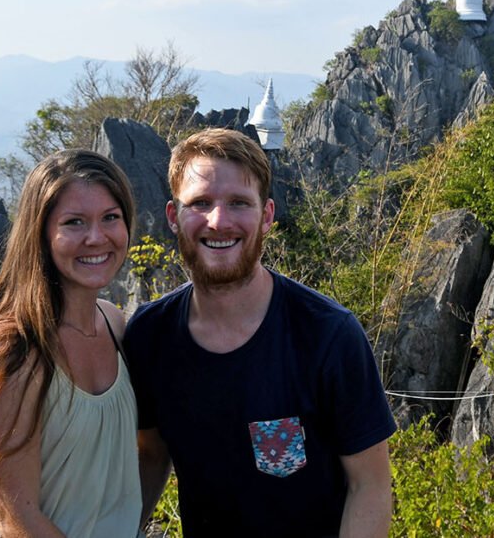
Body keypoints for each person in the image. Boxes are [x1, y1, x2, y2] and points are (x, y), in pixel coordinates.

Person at [125, 128, 396, 537]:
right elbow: (151, 455)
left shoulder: (327, 335)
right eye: (200, 203)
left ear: (267, 215)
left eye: (239, 203)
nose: (219, 221)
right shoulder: (149, 336)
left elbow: (370, 485)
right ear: (172, 217)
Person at [0, 149, 141, 537]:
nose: (96, 237)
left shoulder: (114, 324)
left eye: (110, 218)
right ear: (40, 234)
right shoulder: (11, 352)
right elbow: (16, 520)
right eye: (74, 222)